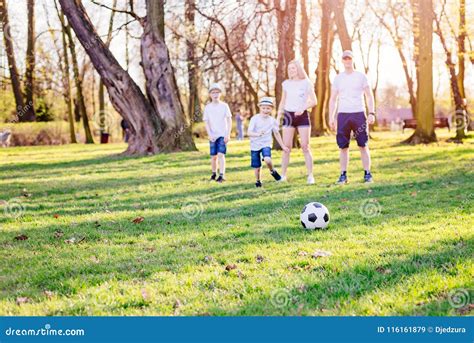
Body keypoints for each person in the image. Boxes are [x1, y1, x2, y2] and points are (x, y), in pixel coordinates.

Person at [328, 50, 376, 184]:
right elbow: (333, 99)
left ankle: (367, 174)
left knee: (363, 145)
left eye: (349, 58)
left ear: (353, 60)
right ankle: (343, 175)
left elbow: (369, 95)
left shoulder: (361, 76)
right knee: (343, 147)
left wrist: (371, 112)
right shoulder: (338, 78)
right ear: (342, 61)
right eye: (345, 58)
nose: (347, 60)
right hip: (343, 115)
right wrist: (331, 117)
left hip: (359, 113)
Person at [277, 60, 317, 184]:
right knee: (286, 148)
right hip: (288, 116)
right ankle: (283, 176)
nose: (291, 70)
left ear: (298, 69)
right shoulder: (286, 84)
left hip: (302, 115)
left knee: (305, 146)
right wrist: (278, 117)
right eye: (289, 68)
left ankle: (310, 176)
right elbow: (283, 102)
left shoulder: (306, 83)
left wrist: (302, 108)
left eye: (293, 68)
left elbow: (314, 101)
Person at [248, 97, 289, 188]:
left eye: (268, 108)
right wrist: (257, 134)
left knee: (267, 159)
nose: (266, 110)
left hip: (266, 143)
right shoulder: (254, 119)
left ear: (271, 109)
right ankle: (258, 181)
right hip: (254, 145)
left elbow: (277, 133)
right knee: (257, 167)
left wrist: (283, 146)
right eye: (264, 108)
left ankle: (272, 171)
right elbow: (249, 132)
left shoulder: (272, 121)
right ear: (260, 108)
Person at [203, 83, 232, 183]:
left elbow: (229, 120)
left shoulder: (224, 106)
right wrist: (209, 134)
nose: (215, 94)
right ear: (210, 94)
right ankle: (213, 173)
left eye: (217, 92)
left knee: (221, 154)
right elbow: (206, 122)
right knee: (213, 157)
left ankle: (222, 175)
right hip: (213, 135)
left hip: (222, 134)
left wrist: (228, 134)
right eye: (213, 92)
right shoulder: (208, 107)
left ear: (220, 94)